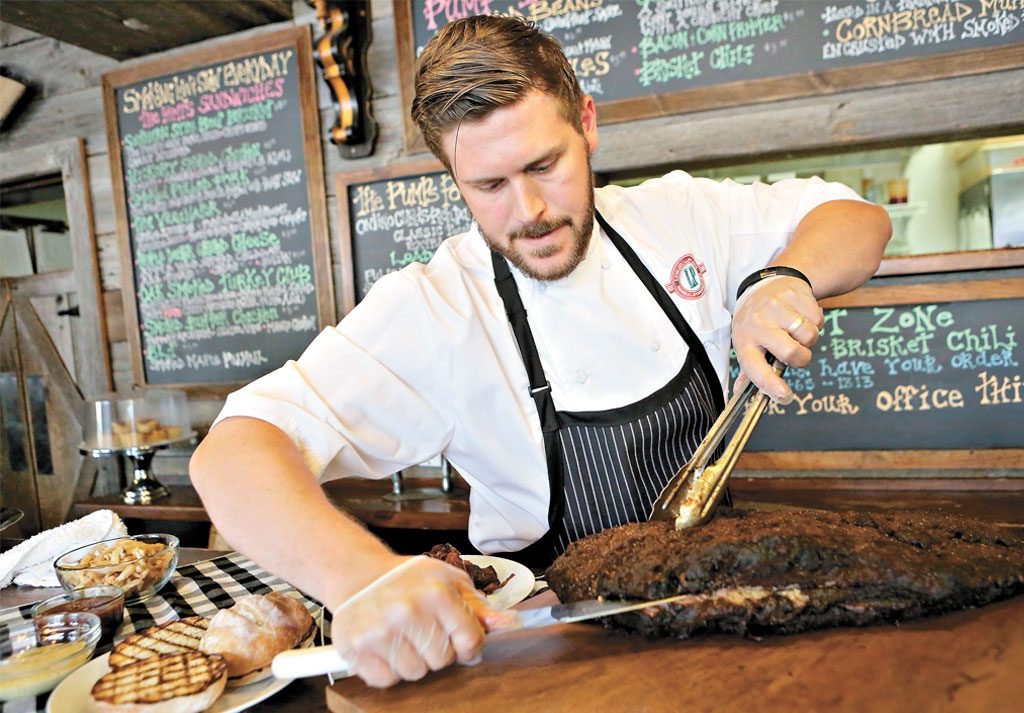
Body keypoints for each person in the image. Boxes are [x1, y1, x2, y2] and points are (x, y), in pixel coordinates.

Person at [190, 15, 891, 688]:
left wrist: (781, 279)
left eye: (544, 164)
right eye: (489, 186)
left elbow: (858, 219)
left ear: (586, 123)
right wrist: (362, 578)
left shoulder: (679, 219)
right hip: (545, 653)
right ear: (453, 177)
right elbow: (232, 452)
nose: (528, 210)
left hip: (717, 616)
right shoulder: (436, 308)